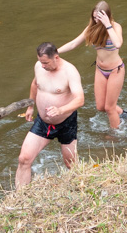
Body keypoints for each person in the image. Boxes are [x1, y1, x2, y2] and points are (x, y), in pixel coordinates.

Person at [16, 42, 84, 189]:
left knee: (70, 163)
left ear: (56, 58)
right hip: (43, 122)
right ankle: (20, 197)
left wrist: (61, 110)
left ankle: (81, 190)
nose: (43, 66)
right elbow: (35, 84)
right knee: (24, 159)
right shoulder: (39, 66)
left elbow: (80, 99)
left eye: (46, 62)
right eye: (40, 62)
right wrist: (30, 106)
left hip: (66, 122)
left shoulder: (69, 71)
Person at [57, 1, 127, 130]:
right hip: (100, 69)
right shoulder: (91, 27)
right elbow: (73, 44)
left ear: (107, 16)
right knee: (100, 107)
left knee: (109, 108)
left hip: (115, 70)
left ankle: (116, 137)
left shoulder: (115, 27)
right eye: (94, 17)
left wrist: (107, 25)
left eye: (99, 18)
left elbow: (118, 44)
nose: (96, 21)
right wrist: (55, 52)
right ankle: (124, 115)